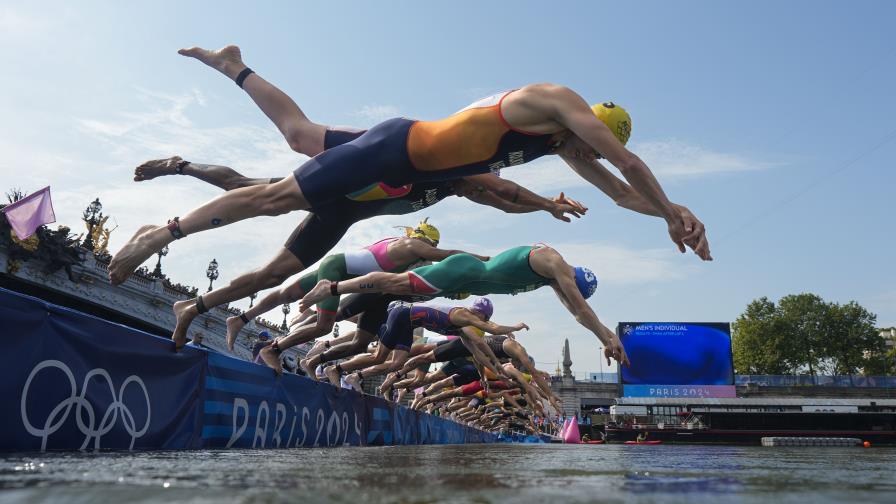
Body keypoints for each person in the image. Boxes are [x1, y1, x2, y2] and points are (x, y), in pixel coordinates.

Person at [110, 45, 710, 286]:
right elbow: (628, 167)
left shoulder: (558, 146)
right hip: (395, 147)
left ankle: (233, 66)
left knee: (297, 135)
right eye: (589, 149)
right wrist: (664, 209)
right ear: (590, 128)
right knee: (275, 197)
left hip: (409, 163)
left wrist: (675, 214)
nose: (586, 160)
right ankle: (162, 233)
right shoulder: (553, 101)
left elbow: (622, 193)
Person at [300, 244, 630, 365]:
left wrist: (609, 338)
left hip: (462, 283)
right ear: (574, 278)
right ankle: (332, 286)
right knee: (394, 281)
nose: (564, 293)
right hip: (462, 272)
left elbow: (577, 313)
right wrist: (605, 336)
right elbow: (581, 309)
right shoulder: (553, 260)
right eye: (569, 289)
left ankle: (338, 309)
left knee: (394, 289)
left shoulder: (553, 279)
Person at [225, 219, 483, 354]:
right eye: (431, 247)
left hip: (339, 267)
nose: (431, 253)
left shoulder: (410, 254)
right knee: (324, 324)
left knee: (286, 293)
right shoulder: (412, 245)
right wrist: (482, 261)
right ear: (426, 240)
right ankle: (276, 347)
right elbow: (448, 256)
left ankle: (242, 318)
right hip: (337, 272)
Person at [313, 297, 526, 387]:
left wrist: (495, 369)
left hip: (408, 324)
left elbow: (478, 352)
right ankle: (334, 367)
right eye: (484, 320)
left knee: (396, 364)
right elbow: (494, 330)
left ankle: (351, 376)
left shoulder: (464, 328)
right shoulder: (465, 315)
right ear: (482, 316)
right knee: (378, 354)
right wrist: (515, 327)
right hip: (401, 313)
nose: (483, 324)